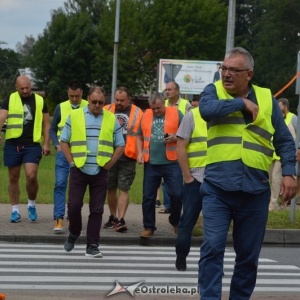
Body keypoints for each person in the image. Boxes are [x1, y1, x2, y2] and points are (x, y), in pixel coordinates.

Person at [198, 47, 297, 299]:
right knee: (212, 248)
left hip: (255, 190)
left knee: (248, 257)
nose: (227, 74)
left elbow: (284, 140)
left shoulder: (266, 98)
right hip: (217, 189)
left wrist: (289, 173)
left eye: (234, 70)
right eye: (224, 68)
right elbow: (206, 111)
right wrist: (240, 102)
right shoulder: (213, 91)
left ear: (249, 74)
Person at [60, 86, 124, 257]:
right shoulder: (74, 116)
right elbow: (64, 141)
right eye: (94, 101)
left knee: (96, 210)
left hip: (100, 170)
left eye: (101, 103)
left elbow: (121, 145)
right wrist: (71, 162)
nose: (97, 105)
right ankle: (74, 233)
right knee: (73, 206)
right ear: (88, 99)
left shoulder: (111, 119)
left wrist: (110, 164)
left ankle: (92, 245)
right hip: (79, 169)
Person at [0, 75, 51, 223]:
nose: (25, 90)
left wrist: (46, 143)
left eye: (27, 87)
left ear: (31, 85)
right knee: (13, 177)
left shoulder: (40, 101)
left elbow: (46, 124)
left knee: (31, 175)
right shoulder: (9, 99)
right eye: (21, 88)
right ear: (16, 88)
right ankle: (15, 210)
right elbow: (2, 116)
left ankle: (31, 204)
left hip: (32, 144)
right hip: (12, 144)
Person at [136, 93, 183, 238]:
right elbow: (138, 135)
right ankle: (149, 227)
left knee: (177, 194)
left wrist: (175, 137)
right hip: (151, 163)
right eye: (153, 108)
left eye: (158, 108)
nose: (156, 111)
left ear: (165, 103)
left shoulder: (176, 113)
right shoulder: (145, 115)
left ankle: (175, 221)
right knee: (148, 197)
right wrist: (139, 153)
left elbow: (186, 133)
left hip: (172, 162)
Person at [49, 80, 88, 232]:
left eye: (77, 96)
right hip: (63, 153)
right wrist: (56, 145)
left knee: (77, 188)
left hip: (80, 154)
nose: (74, 99)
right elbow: (52, 129)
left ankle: (73, 217)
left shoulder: (88, 106)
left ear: (82, 93)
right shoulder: (61, 107)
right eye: (71, 96)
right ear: (68, 93)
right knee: (60, 184)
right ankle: (58, 218)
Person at [103, 87, 143, 232]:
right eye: (116, 100)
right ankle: (113, 217)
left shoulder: (138, 112)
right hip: (110, 155)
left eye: (122, 100)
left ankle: (121, 219)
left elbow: (142, 134)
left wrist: (141, 153)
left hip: (128, 156)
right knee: (110, 188)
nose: (118, 103)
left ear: (129, 99)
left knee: (124, 188)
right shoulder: (106, 109)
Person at [175, 105, 207, 271]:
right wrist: (187, 177)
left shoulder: (225, 116)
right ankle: (181, 256)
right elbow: (180, 146)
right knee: (187, 221)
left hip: (218, 181)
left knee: (216, 226)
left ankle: (213, 263)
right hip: (195, 178)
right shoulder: (192, 116)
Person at [159, 81, 192, 214]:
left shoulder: (186, 105)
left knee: (179, 178)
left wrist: (177, 137)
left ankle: (179, 205)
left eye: (170, 89)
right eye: (166, 90)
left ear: (177, 91)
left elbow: (190, 124)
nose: (167, 92)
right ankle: (168, 205)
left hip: (180, 146)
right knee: (165, 179)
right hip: (164, 147)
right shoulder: (163, 104)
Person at [269, 98, 297, 210]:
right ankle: (282, 203)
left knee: (276, 179)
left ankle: (273, 205)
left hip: (284, 156)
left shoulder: (293, 118)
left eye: (279, 106)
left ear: (285, 107)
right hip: (272, 154)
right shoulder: (276, 117)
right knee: (272, 180)